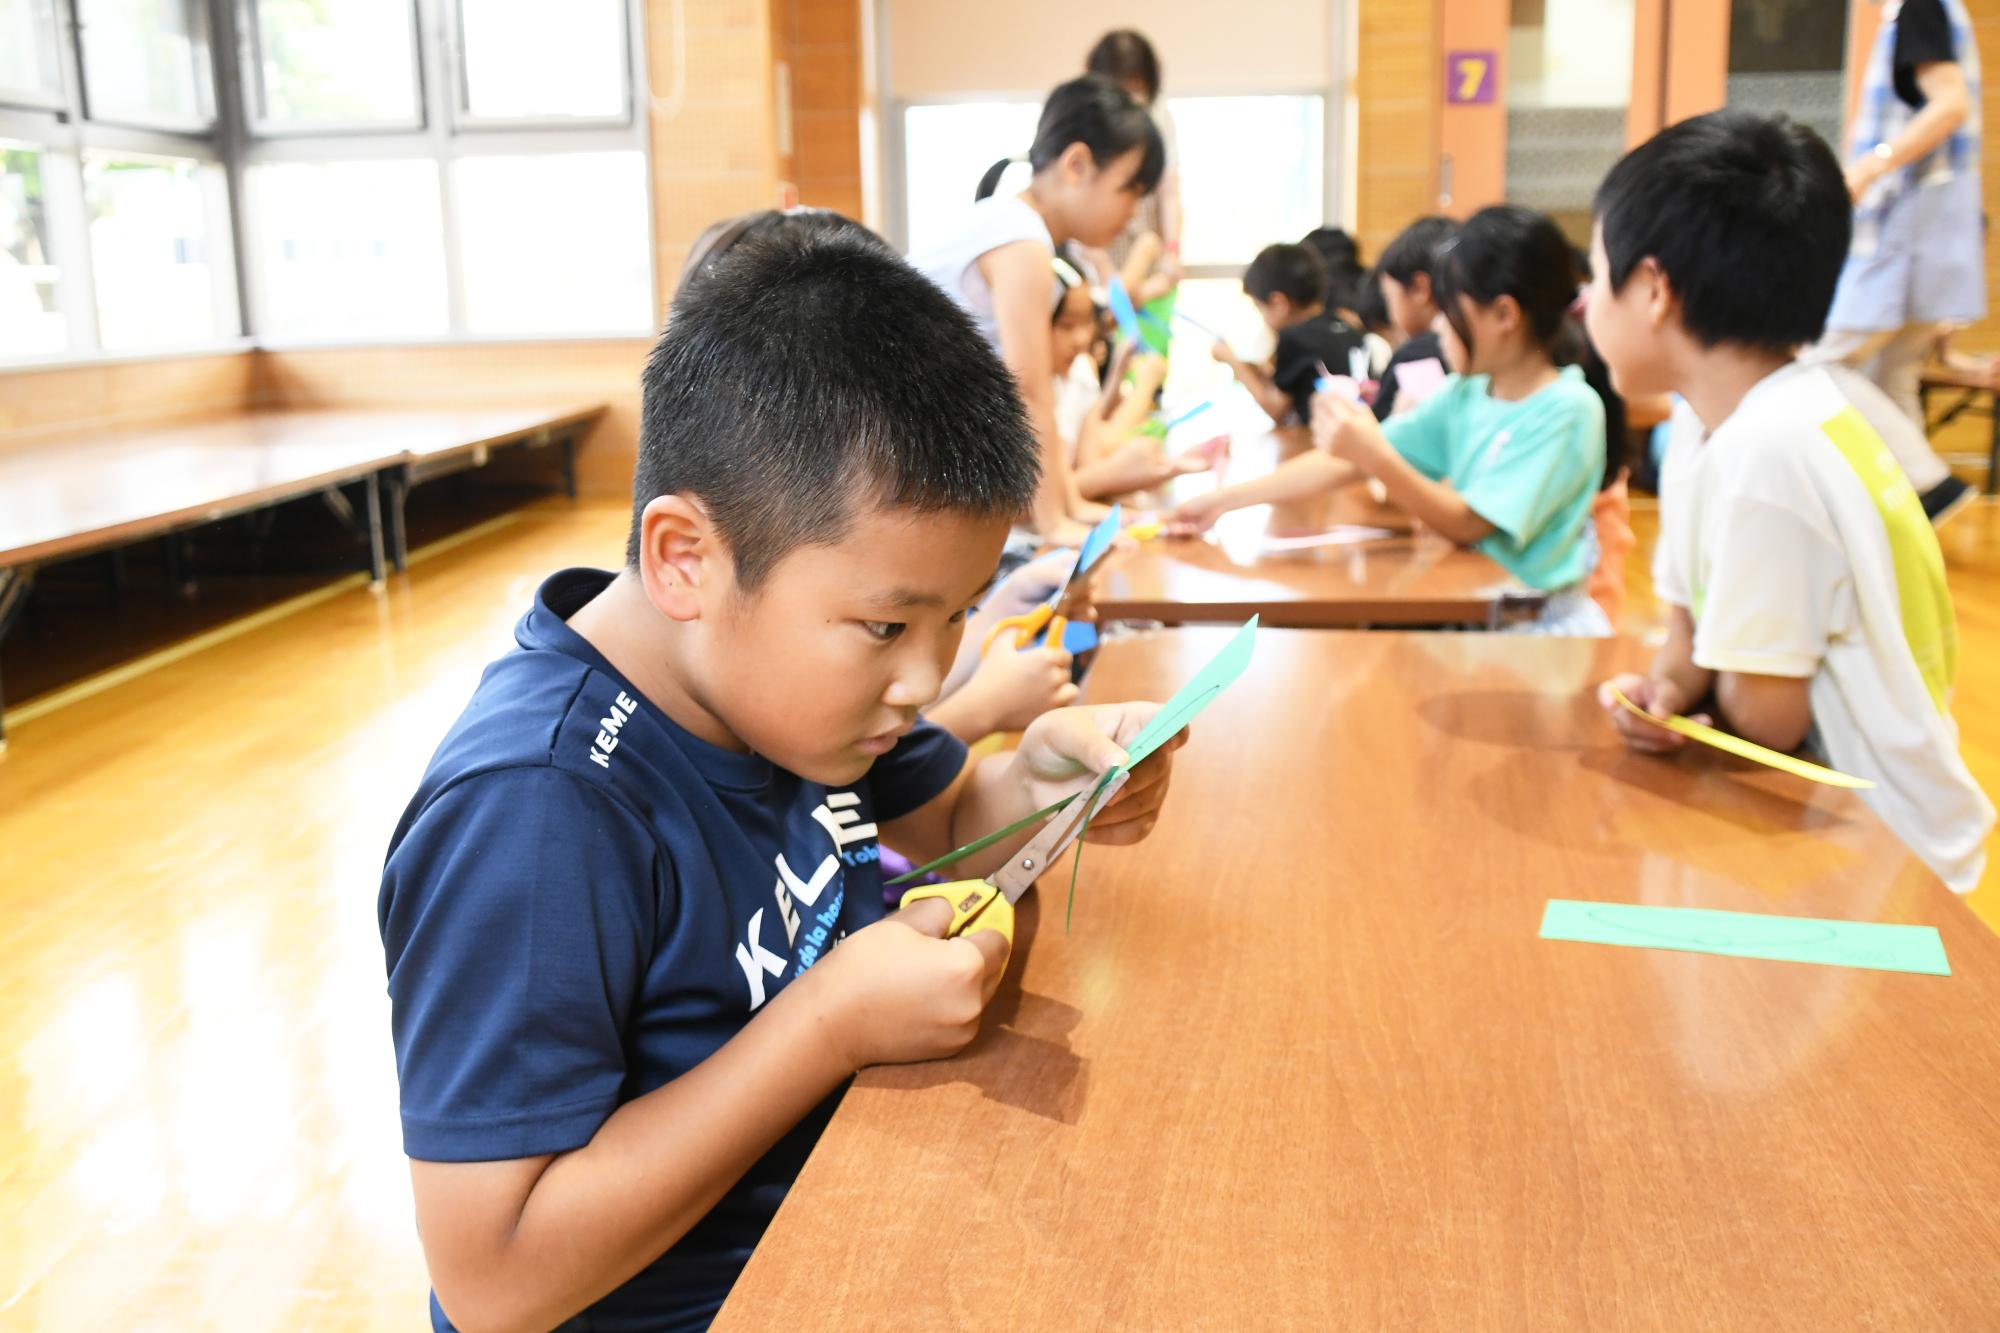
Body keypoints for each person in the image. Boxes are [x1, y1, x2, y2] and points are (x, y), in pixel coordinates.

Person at [378, 218, 1184, 1333]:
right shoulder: (537, 806)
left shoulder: (777, 689)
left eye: (953, 617)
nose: (924, 675)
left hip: (857, 1199)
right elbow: (492, 1276)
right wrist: (826, 1025)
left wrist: (1045, 786)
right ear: (686, 559)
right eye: (886, 623)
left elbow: (943, 812)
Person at [1586, 108, 1991, 892]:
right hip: (1818, 804)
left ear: (1653, 289)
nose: (1586, 304)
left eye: (1598, 276)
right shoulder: (1724, 422)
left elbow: (1764, 714)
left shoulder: (1770, 449)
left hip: (1874, 843)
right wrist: (1665, 691)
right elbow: (1688, 633)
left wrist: (1700, 690)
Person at [1176, 206, 1612, 636]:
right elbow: (1346, 461)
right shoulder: (1467, 394)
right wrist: (1223, 501)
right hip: (1472, 612)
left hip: (1536, 634)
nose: (1439, 328)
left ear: (1504, 315)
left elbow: (1467, 522)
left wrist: (1374, 453)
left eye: (1451, 312)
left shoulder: (1570, 409)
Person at [910, 75, 1165, 546]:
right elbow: (1029, 391)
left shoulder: (1014, 225)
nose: (1133, 211)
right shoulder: (1021, 241)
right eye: (1130, 190)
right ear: (1077, 164)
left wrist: (1071, 505)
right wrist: (1054, 524)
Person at [1805, 0, 1983, 525]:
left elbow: (1948, 105)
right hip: (1939, 231)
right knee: (1891, 373)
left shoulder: (1920, 7)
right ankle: (1911, 514)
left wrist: (1868, 167)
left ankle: (1927, 482)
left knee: (1818, 362)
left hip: (1908, 229)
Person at [1211, 242, 1368, 427]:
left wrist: (1233, 362)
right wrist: (1258, 371)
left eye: (1259, 307)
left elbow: (1276, 409)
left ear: (1279, 303)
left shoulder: (1295, 338)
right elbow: (1300, 380)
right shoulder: (1345, 325)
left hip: (1315, 441)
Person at [1084, 29, 1182, 293]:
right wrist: (1105, 270)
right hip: (1096, 253)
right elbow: (1077, 204)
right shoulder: (1084, 119)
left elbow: (1169, 191)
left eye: (1137, 89)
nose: (1129, 100)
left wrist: (1171, 251)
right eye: (1120, 89)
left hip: (1147, 264)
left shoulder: (1159, 117)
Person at [1370, 215, 1460, 420]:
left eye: (1389, 296)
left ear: (1420, 288)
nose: (1391, 314)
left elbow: (1380, 440)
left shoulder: (1417, 355)